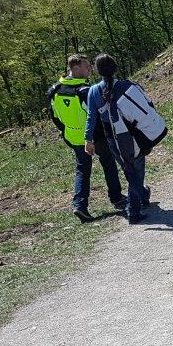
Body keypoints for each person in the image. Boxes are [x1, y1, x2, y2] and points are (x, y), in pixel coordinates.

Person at [85, 54, 167, 224]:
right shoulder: (127, 86)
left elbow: (91, 117)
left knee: (129, 169)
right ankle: (134, 210)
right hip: (131, 134)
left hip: (112, 137)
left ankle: (142, 196)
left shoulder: (93, 91)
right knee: (136, 170)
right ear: (115, 68)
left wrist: (88, 139)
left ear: (97, 71)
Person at [48, 54, 124, 222]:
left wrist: (66, 131)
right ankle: (116, 197)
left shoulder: (54, 90)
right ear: (75, 68)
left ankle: (79, 206)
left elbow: (54, 117)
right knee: (109, 164)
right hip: (93, 136)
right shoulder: (84, 91)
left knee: (82, 170)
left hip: (73, 137)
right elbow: (95, 115)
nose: (90, 68)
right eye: (86, 66)